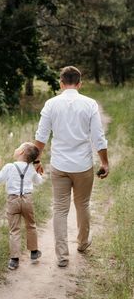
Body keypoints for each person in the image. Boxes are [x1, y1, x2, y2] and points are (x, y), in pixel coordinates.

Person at [34, 66, 109, 267]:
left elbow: (41, 137)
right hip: (83, 165)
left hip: (59, 165)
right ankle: (83, 243)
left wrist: (36, 159)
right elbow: (98, 138)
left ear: (60, 83)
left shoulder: (51, 104)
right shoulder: (90, 104)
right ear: (79, 83)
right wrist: (104, 162)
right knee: (82, 205)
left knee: (59, 209)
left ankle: (62, 256)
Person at [0, 142, 43, 270]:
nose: (16, 149)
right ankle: (34, 252)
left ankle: (14, 260)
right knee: (31, 225)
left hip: (13, 201)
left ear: (21, 152)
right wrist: (39, 173)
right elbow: (38, 181)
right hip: (27, 200)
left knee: (14, 229)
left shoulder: (9, 167)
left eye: (18, 147)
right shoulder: (30, 168)